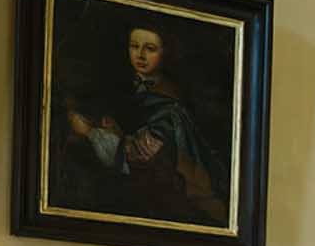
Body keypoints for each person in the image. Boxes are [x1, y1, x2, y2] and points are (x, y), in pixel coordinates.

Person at [61, 23, 226, 225]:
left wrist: (89, 132)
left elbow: (138, 155)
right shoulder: (116, 86)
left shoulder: (173, 103)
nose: (140, 55)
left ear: (165, 53)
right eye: (134, 46)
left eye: (150, 49)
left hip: (157, 190)